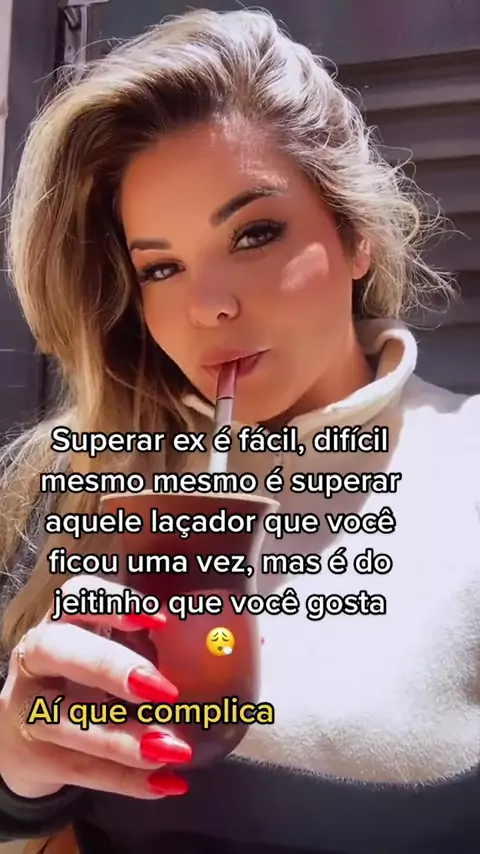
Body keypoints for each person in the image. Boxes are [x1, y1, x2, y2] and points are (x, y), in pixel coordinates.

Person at [0, 7, 479, 854]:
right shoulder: (76, 482)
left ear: (356, 236)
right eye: (161, 267)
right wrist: (16, 776)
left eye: (254, 233)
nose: (208, 307)